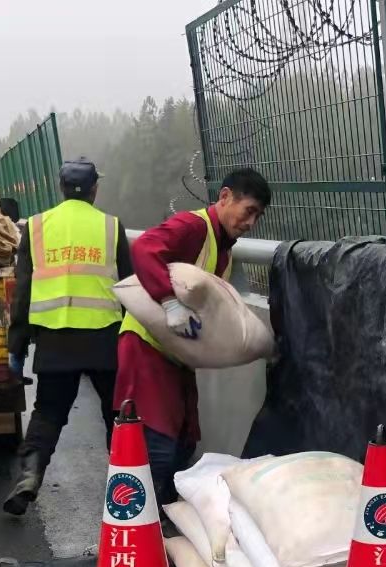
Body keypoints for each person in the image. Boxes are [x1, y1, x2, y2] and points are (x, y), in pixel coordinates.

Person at [114, 168, 270, 504]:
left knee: (185, 441)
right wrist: (169, 302)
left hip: (175, 355)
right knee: (158, 443)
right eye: (249, 211)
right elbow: (145, 248)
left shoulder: (223, 248)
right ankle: (138, 518)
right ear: (225, 197)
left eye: (258, 216)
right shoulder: (193, 227)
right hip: (147, 348)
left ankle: (161, 515)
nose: (251, 223)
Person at [3, 158, 132, 517]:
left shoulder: (36, 227)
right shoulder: (111, 226)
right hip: (105, 338)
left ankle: (30, 475)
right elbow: (129, 286)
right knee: (117, 415)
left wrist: (17, 347)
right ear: (94, 189)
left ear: (60, 188)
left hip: (54, 340)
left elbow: (23, 293)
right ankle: (125, 486)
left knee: (48, 412)